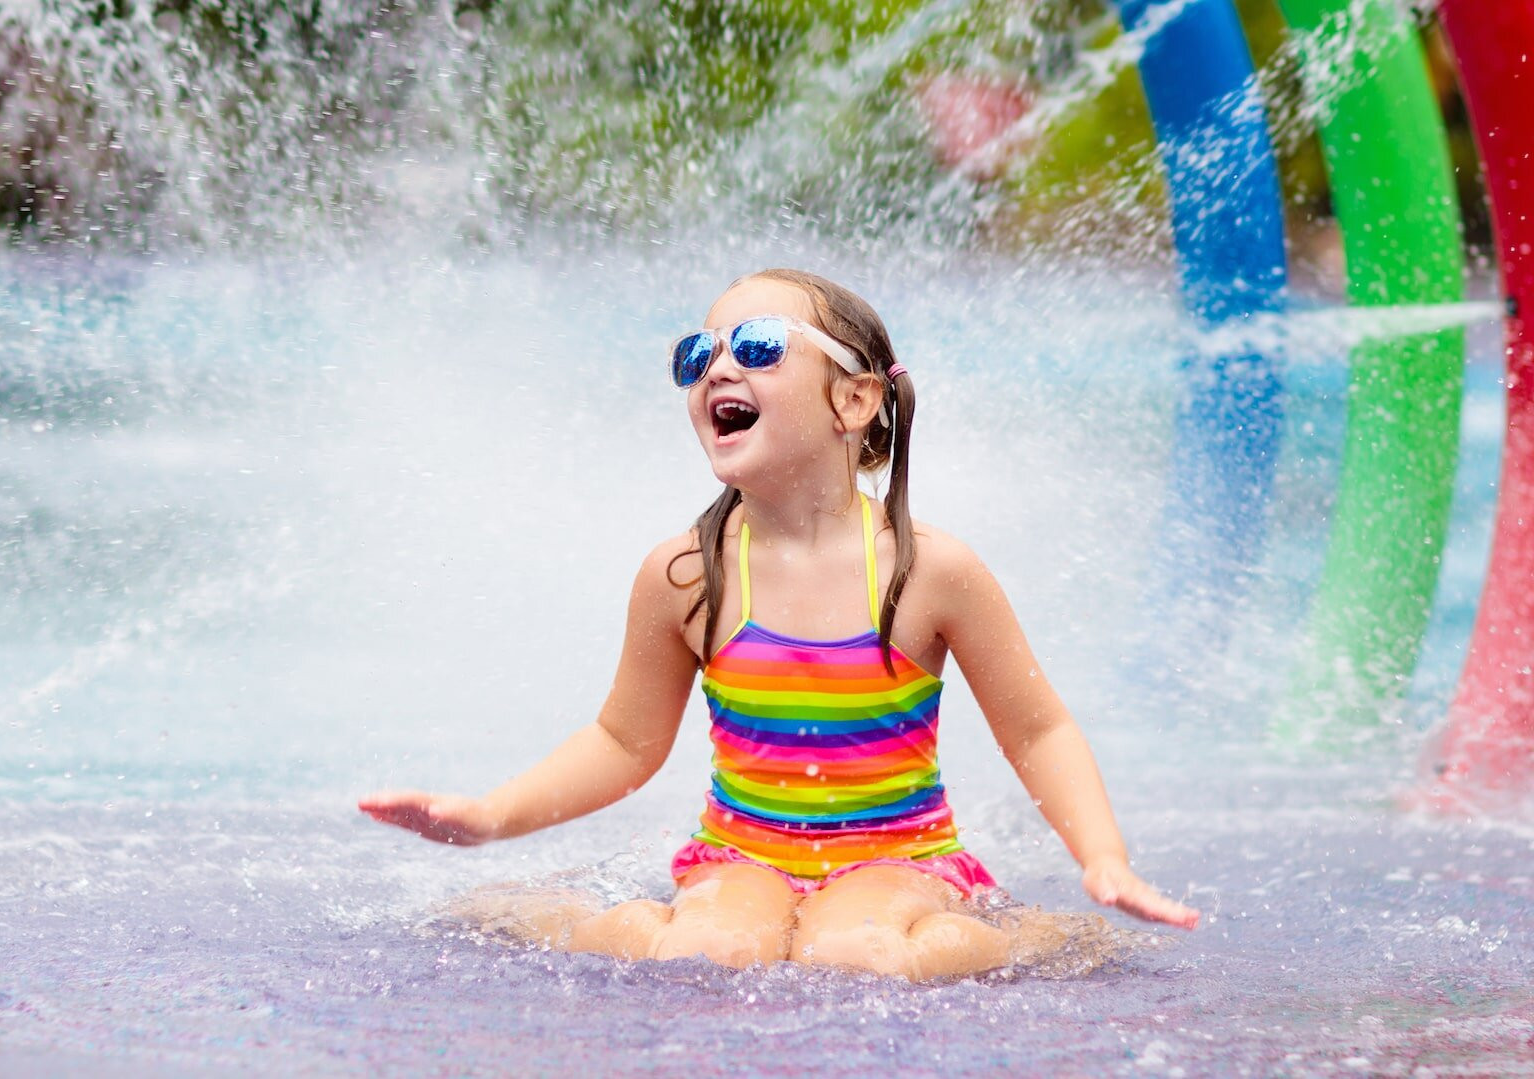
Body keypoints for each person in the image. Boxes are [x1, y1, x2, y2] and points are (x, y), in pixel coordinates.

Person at [359, 268, 1198, 981]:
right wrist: (490, 816)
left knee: (855, 955)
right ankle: (564, 916)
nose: (716, 366)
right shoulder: (686, 574)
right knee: (705, 951)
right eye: (698, 353)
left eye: (758, 345)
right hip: (741, 856)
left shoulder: (930, 570)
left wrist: (1103, 857)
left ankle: (1029, 936)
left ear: (855, 398)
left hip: (896, 859)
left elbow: (1039, 728)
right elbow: (624, 741)